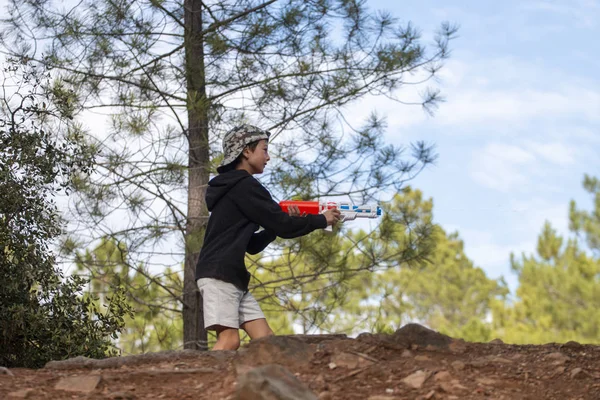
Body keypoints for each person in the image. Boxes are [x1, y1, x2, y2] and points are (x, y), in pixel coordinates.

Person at [195, 124, 341, 351]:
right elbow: (284, 225)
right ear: (246, 151)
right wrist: (321, 220)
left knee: (266, 340)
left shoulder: (237, 189)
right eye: (264, 149)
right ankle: (202, 385)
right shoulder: (244, 186)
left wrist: (274, 227)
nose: (268, 157)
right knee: (229, 340)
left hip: (232, 277)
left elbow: (252, 244)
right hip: (218, 275)